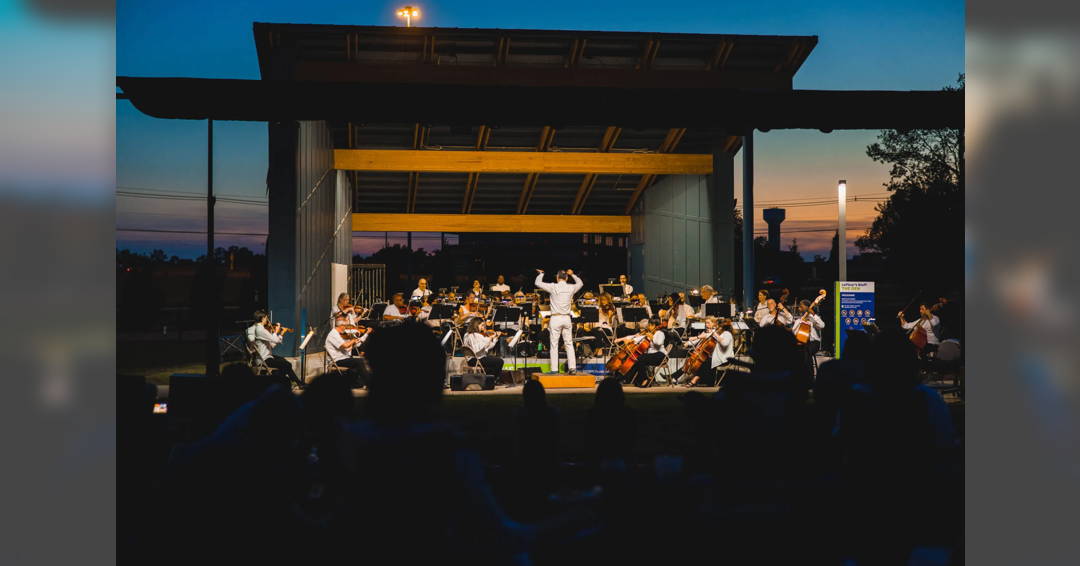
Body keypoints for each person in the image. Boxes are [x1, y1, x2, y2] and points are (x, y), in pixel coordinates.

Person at [534, 268, 584, 373]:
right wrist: (573, 275)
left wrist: (541, 274)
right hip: (566, 318)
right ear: (566, 278)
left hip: (556, 318)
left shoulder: (553, 286)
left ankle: (554, 369)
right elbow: (580, 283)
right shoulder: (571, 287)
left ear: (557, 278)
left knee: (554, 344)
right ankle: (572, 368)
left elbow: (537, 283)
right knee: (569, 344)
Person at [247, 310, 304, 389]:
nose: (267, 320)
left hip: (266, 356)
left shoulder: (258, 328)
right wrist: (277, 331)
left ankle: (292, 383)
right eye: (266, 318)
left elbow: (271, 345)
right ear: (263, 318)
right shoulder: (260, 330)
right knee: (286, 365)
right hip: (264, 359)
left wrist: (279, 335)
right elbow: (275, 340)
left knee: (284, 362)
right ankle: (283, 382)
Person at [677, 317, 735, 387]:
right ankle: (692, 380)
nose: (717, 328)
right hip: (718, 357)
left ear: (722, 327)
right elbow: (708, 337)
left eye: (718, 326)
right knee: (704, 361)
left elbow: (724, 344)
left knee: (705, 362)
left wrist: (714, 334)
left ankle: (693, 380)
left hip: (725, 359)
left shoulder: (727, 334)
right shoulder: (720, 333)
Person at [615, 317, 666, 387]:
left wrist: (652, 338)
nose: (648, 327)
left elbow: (659, 344)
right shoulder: (649, 333)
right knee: (637, 360)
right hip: (651, 355)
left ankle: (645, 379)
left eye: (650, 325)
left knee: (640, 359)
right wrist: (625, 340)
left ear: (654, 325)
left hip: (660, 355)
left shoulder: (660, 333)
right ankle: (625, 379)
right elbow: (637, 338)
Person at [324, 316, 372, 387]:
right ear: (341, 326)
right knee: (359, 361)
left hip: (344, 357)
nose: (346, 328)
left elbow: (350, 347)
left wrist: (362, 337)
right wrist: (353, 340)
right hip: (336, 360)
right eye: (345, 326)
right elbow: (345, 345)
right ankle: (369, 382)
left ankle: (358, 384)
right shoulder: (333, 334)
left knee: (361, 361)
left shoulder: (340, 334)